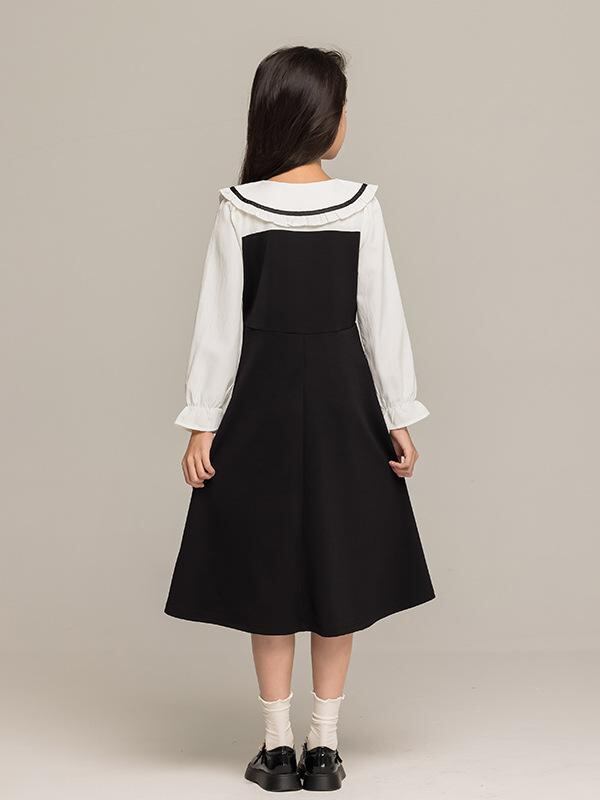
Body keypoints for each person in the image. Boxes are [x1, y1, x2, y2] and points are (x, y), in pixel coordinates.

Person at [164, 45, 436, 792]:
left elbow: (218, 326)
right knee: (336, 568)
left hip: (261, 404)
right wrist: (399, 412)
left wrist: (203, 422)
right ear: (324, 118)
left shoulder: (239, 207)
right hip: (346, 402)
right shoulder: (360, 205)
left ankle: (277, 748)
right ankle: (325, 749)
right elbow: (382, 317)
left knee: (271, 571)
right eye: (344, 107)